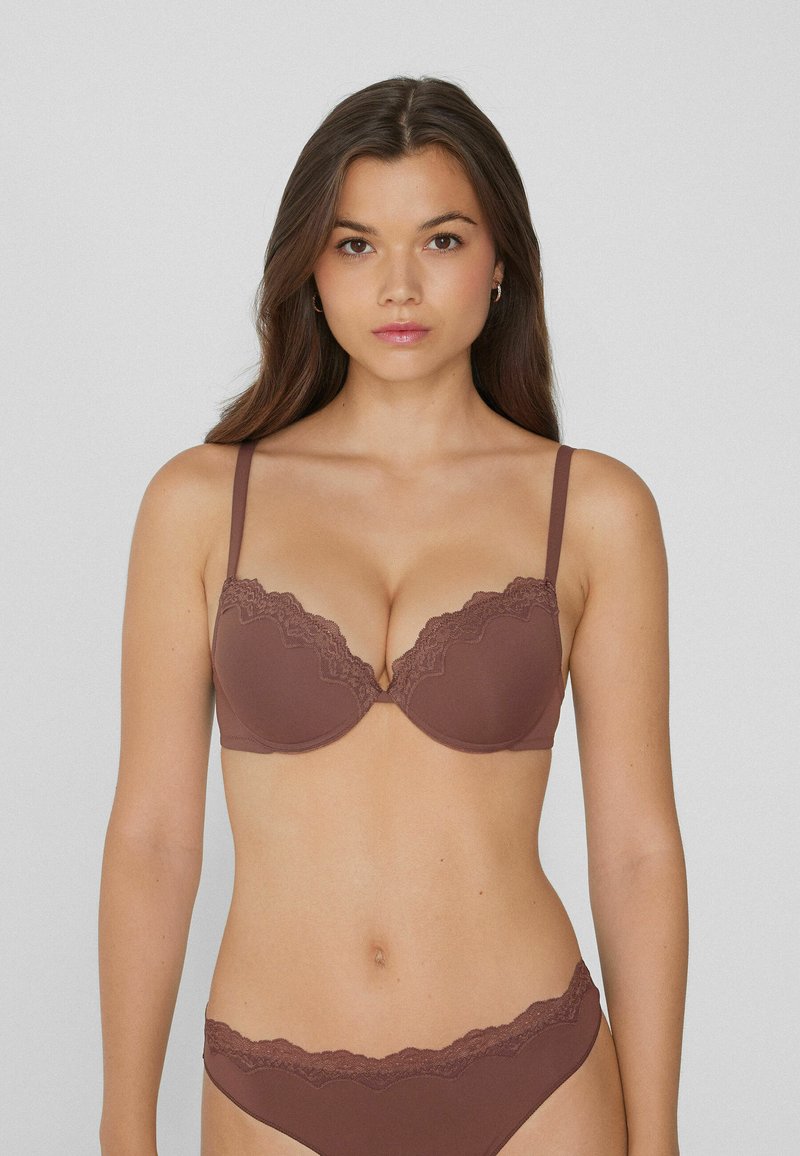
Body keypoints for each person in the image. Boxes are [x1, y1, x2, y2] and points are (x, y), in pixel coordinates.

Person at [98, 75, 688, 1156]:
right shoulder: (200, 503)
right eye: (357, 244)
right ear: (310, 268)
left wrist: (658, 1140)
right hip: (272, 1088)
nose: (400, 284)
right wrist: (122, 1125)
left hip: (537, 1083)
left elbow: (636, 852)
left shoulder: (593, 510)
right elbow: (152, 840)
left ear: (500, 262)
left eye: (443, 240)